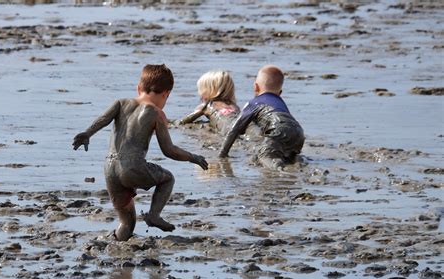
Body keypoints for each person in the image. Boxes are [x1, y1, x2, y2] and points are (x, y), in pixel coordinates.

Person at [72, 64, 208, 241]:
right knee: (168, 178)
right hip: (133, 167)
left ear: (139, 88)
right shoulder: (157, 114)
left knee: (127, 222)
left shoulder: (120, 103)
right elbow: (169, 150)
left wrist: (87, 133)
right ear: (166, 94)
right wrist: (193, 157)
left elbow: (103, 119)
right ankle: (154, 215)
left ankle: (116, 244)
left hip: (110, 169)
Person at [219, 65, 305, 169]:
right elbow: (287, 123)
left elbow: (235, 129)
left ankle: (279, 170)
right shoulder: (280, 103)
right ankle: (295, 160)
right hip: (299, 132)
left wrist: (223, 153)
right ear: (280, 93)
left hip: (279, 128)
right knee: (285, 154)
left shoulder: (253, 103)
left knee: (263, 154)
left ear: (256, 87)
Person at [178, 70, 240, 135]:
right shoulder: (235, 106)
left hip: (226, 130)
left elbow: (183, 121)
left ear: (209, 90)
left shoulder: (206, 106)